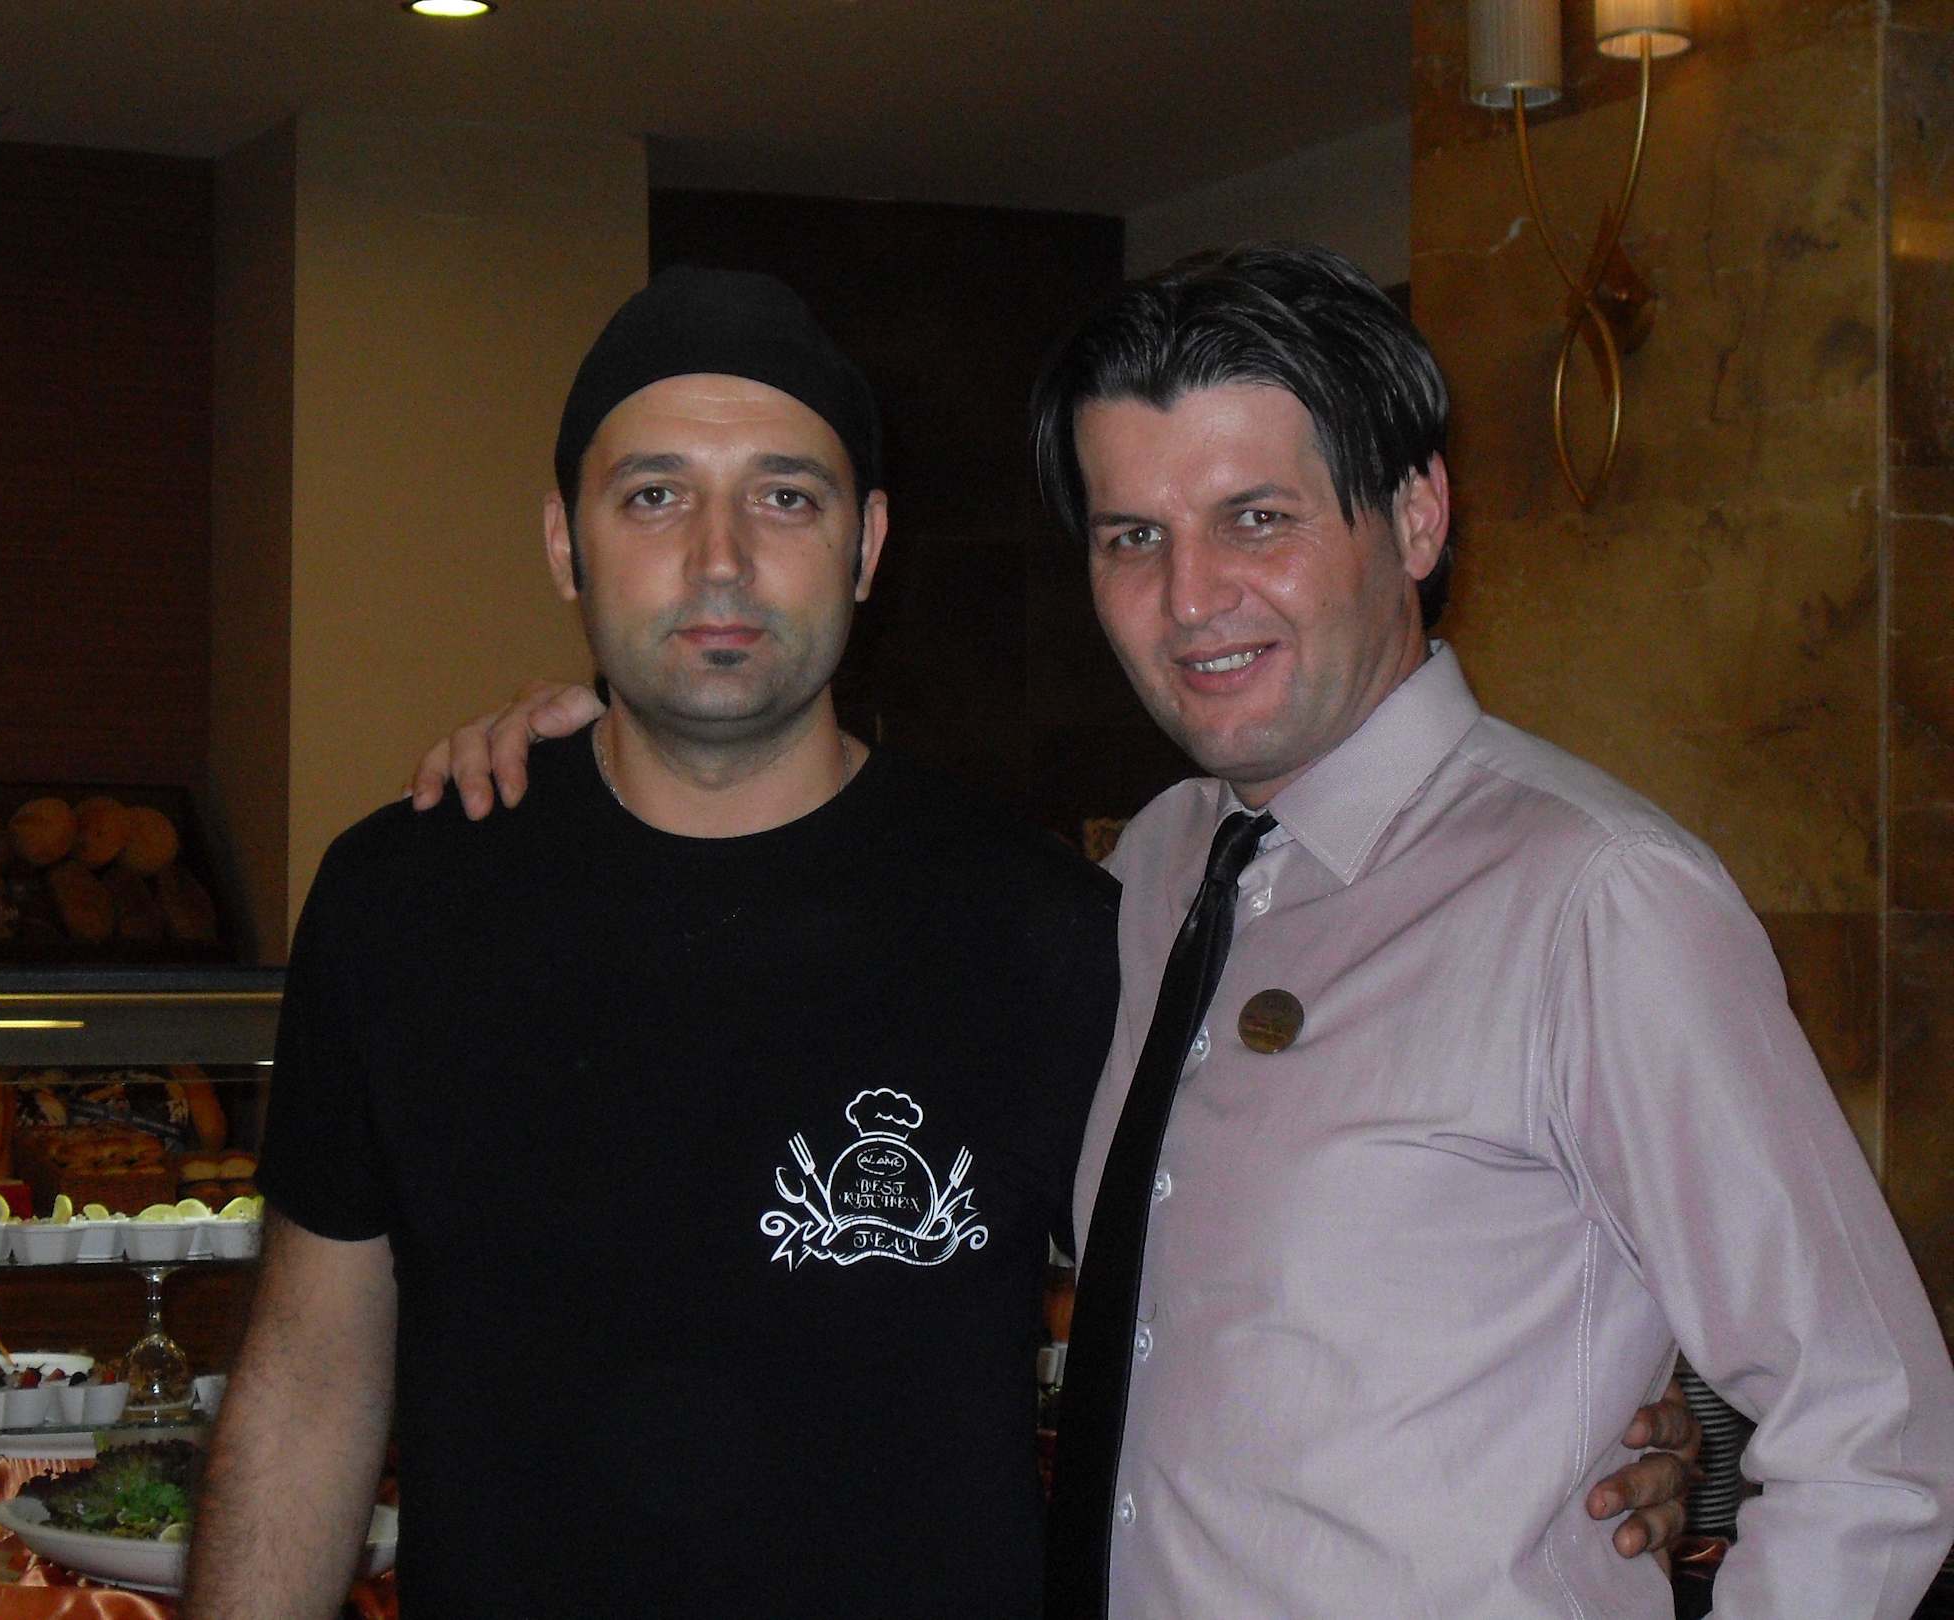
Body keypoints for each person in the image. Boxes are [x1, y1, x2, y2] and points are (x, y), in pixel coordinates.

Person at [410, 245, 1954, 1619]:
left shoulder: (1592, 899)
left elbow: (1871, 1433)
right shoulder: (1151, 871)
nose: (1191, 597)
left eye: (1255, 519)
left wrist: (1670, 1433)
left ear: (1416, 515)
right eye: (1132, 536)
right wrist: (615, 758)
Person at [183, 266, 1121, 1618]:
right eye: (654, 496)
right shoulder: (404, 901)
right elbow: (310, 1381)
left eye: (785, 498)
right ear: (565, 543)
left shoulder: (1043, 927)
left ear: (867, 545)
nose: (719, 559)